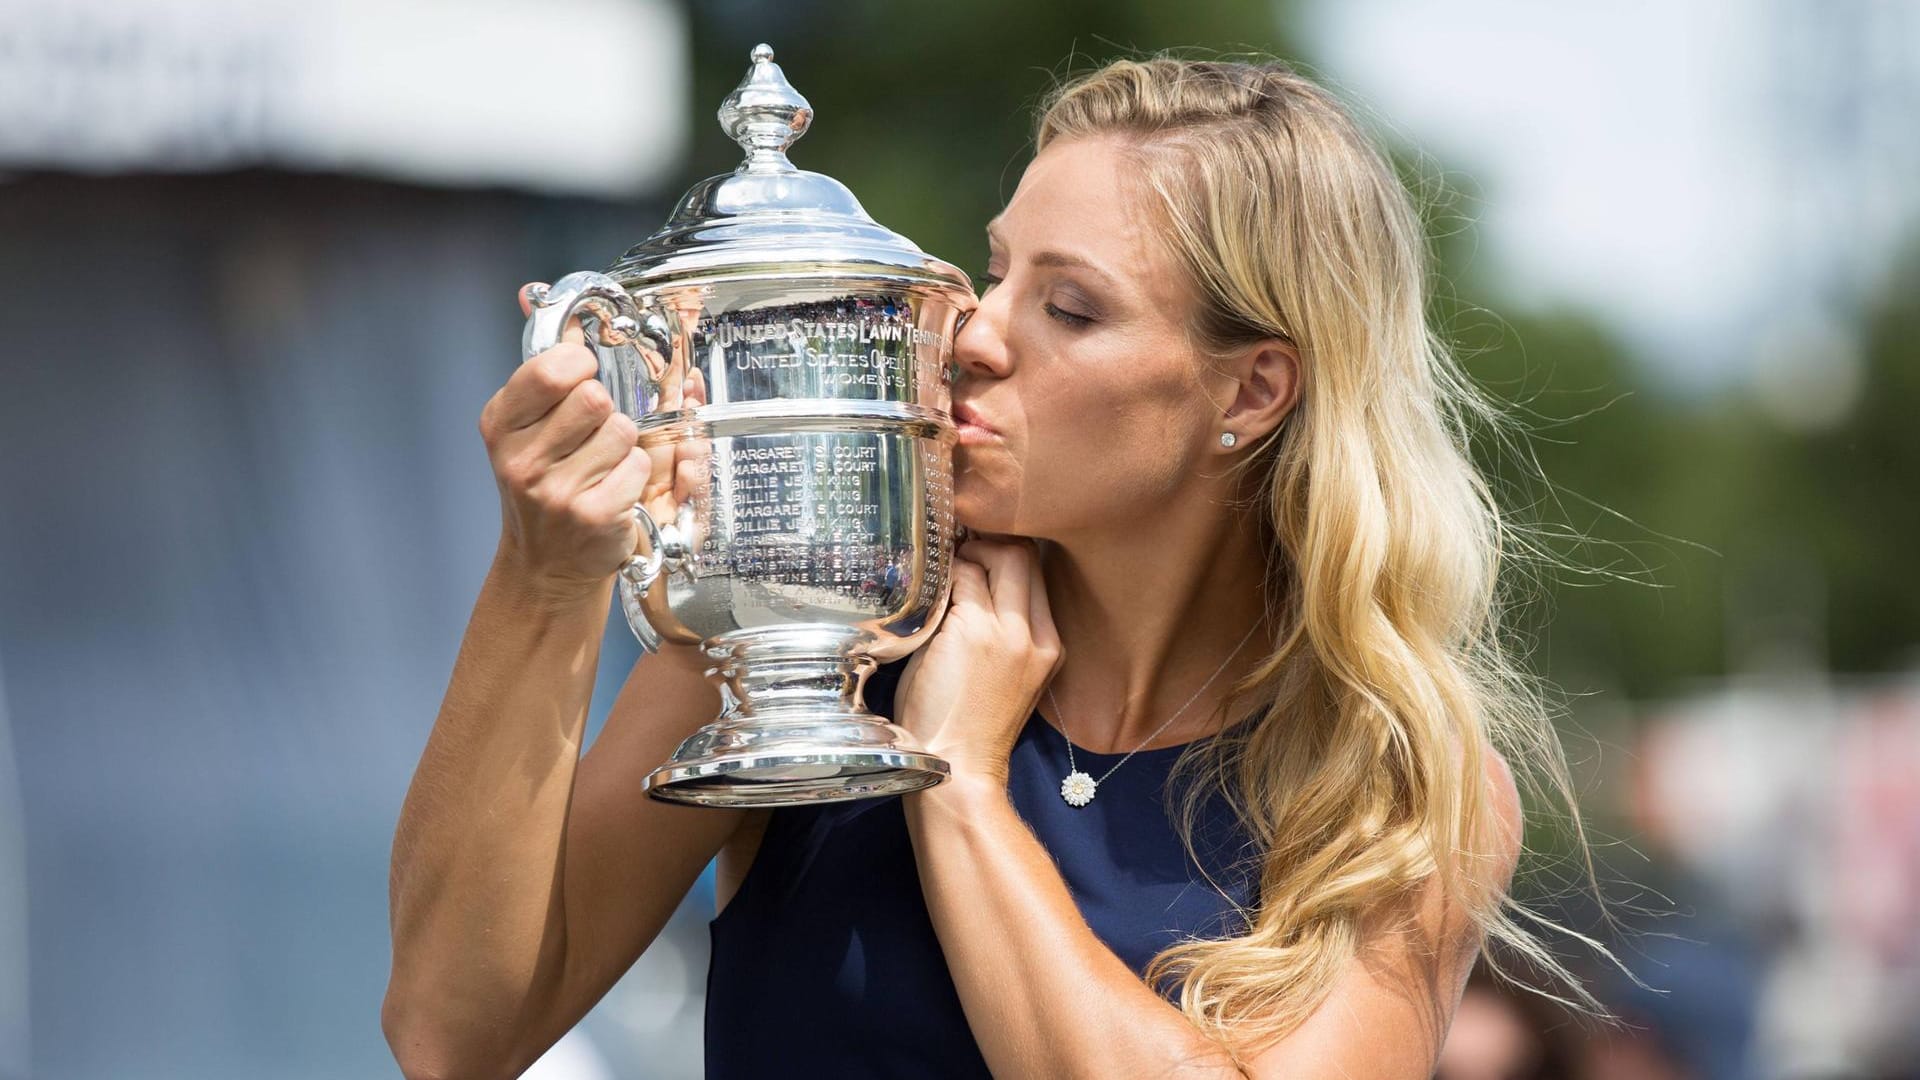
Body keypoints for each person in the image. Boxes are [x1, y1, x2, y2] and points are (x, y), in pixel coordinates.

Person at [383, 54, 1602, 1078]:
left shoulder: (1391, 790)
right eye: (999, 268)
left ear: (1251, 390)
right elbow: (455, 1030)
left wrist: (962, 782)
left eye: (1069, 309)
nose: (974, 334)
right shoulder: (827, 618)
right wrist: (546, 578)